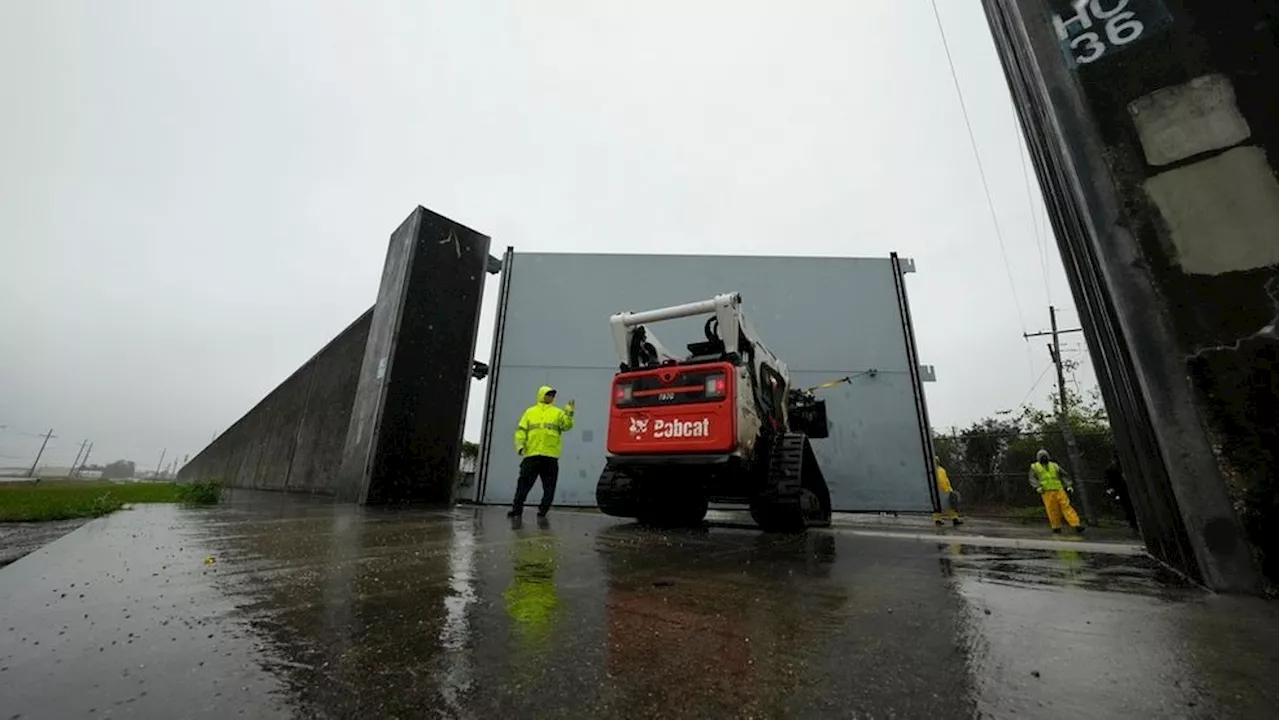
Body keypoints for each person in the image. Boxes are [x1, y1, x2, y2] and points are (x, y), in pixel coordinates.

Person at [508, 385, 575, 518]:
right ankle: (517, 509)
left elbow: (567, 426)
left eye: (552, 395)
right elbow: (521, 431)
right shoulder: (530, 412)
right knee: (523, 484)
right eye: (548, 394)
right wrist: (520, 446)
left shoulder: (558, 412)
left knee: (549, 487)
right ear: (541, 395)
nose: (550, 397)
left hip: (550, 456)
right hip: (531, 454)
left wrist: (569, 413)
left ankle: (543, 510)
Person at [1028, 449, 1084, 533]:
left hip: (1059, 489)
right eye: (1041, 456)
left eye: (1045, 456)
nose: (1044, 457)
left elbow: (1064, 475)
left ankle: (1076, 524)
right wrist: (1037, 487)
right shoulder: (1034, 467)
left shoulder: (1054, 465)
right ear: (1038, 458)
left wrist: (1068, 485)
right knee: (1052, 509)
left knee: (1066, 506)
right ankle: (1056, 526)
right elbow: (1032, 478)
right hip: (1046, 491)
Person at [933, 456, 963, 527]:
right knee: (937, 506)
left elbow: (946, 480)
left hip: (945, 490)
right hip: (938, 491)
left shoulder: (942, 470)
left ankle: (955, 519)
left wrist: (950, 488)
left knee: (950, 505)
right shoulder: (933, 470)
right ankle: (937, 520)